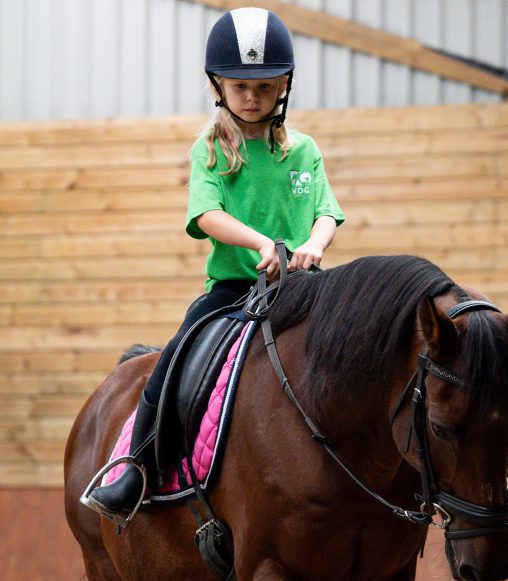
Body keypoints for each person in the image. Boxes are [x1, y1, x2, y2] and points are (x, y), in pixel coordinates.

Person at [82, 6, 344, 523]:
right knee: (175, 362)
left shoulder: (304, 151)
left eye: (266, 88)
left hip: (304, 290)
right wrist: (261, 243)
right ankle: (136, 466)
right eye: (241, 87)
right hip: (233, 289)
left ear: (284, 87)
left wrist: (315, 242)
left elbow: (327, 212)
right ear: (218, 86)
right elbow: (205, 215)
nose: (252, 98)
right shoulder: (211, 150)